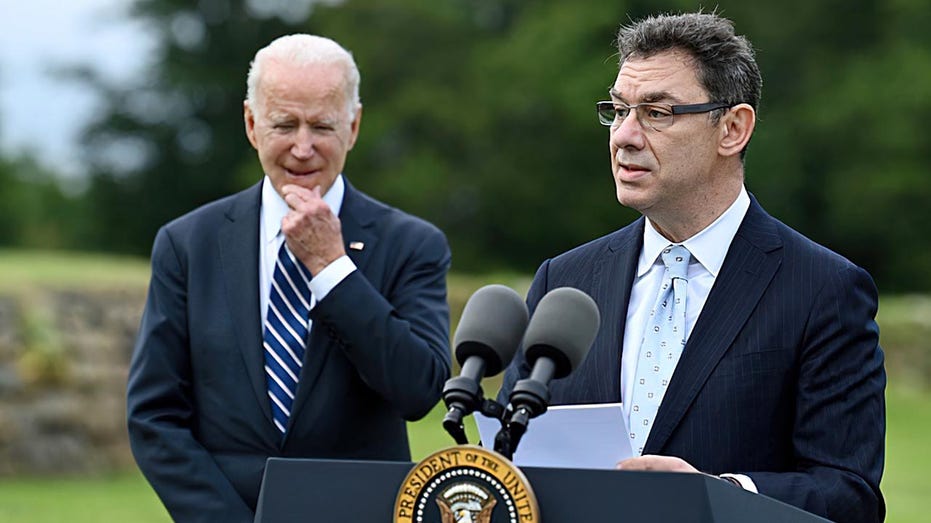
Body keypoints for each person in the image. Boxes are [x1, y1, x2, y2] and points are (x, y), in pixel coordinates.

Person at [499, 12, 885, 523]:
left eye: (656, 113)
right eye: (617, 110)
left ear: (732, 128)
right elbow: (510, 457)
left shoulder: (825, 289)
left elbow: (848, 494)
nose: (624, 136)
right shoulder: (564, 281)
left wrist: (717, 493)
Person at [127, 34, 452, 522]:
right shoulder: (187, 244)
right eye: (285, 124)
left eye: (322, 125)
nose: (303, 148)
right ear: (252, 124)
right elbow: (155, 416)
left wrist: (332, 267)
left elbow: (419, 390)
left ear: (354, 125)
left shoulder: (412, 244)